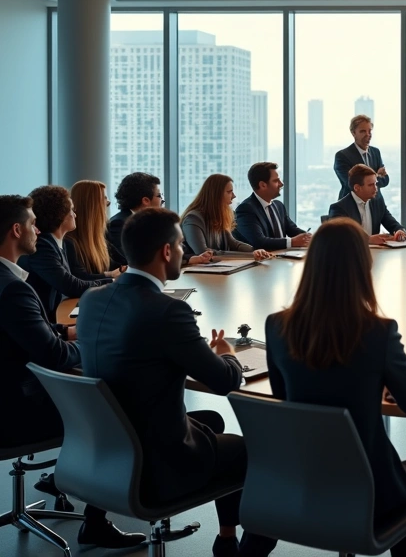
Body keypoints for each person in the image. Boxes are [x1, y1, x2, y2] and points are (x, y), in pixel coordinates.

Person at [76, 207, 277, 557]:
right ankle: (229, 544)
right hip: (152, 465)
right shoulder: (167, 310)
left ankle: (96, 520)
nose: (184, 251)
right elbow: (224, 381)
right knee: (246, 449)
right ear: (166, 251)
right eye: (181, 245)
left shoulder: (93, 298)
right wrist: (225, 352)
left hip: (103, 450)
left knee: (211, 423)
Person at [266, 218, 406, 557]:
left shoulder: (277, 326)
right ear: (364, 266)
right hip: (372, 490)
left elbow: (282, 397)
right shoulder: (379, 332)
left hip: (306, 481)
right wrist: (387, 380)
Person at [0, 195, 145, 550]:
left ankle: (66, 480)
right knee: (115, 411)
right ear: (17, 230)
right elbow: (54, 356)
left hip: (6, 397)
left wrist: (64, 330)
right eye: (33, 224)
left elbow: (24, 331)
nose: (38, 230)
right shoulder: (14, 289)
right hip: (15, 413)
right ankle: (95, 521)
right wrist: (94, 345)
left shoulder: (9, 282)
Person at [18, 185, 111, 316]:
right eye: (71, 210)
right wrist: (112, 282)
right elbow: (71, 286)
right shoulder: (42, 247)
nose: (75, 214)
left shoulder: (59, 243)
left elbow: (76, 278)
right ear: (60, 215)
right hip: (43, 320)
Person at [108, 172, 213, 268]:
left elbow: (174, 249)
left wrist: (190, 259)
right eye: (159, 195)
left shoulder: (150, 221)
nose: (162, 200)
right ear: (145, 200)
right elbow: (131, 260)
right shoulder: (119, 224)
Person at [181, 174, 273, 261]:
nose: (234, 196)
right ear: (216, 195)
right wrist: (249, 255)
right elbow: (203, 252)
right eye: (229, 192)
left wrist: (256, 251)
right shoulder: (193, 219)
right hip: (195, 274)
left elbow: (234, 244)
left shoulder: (218, 216)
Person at [234, 162, 311, 252]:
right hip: (261, 263)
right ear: (263, 185)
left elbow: (292, 230)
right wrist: (292, 242)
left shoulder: (279, 206)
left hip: (281, 260)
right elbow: (259, 242)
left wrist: (310, 238)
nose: (281, 184)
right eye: (276, 181)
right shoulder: (245, 209)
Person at [328, 164, 406, 245]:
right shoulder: (339, 208)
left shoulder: (377, 202)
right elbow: (339, 237)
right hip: (350, 255)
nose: (375, 188)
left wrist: (400, 231)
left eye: (375, 183)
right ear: (357, 188)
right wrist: (367, 239)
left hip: (375, 254)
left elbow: (392, 223)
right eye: (370, 185)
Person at [64, 180, 126, 282]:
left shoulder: (99, 240)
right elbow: (79, 278)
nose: (107, 207)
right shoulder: (69, 242)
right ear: (92, 206)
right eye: (105, 201)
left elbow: (121, 264)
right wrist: (109, 275)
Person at [334, 114, 389, 200]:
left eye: (369, 131)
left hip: (375, 207)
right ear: (353, 133)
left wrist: (367, 180)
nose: (368, 134)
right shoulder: (342, 156)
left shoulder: (376, 152)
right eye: (363, 131)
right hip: (352, 208)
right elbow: (351, 184)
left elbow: (385, 180)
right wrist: (377, 175)